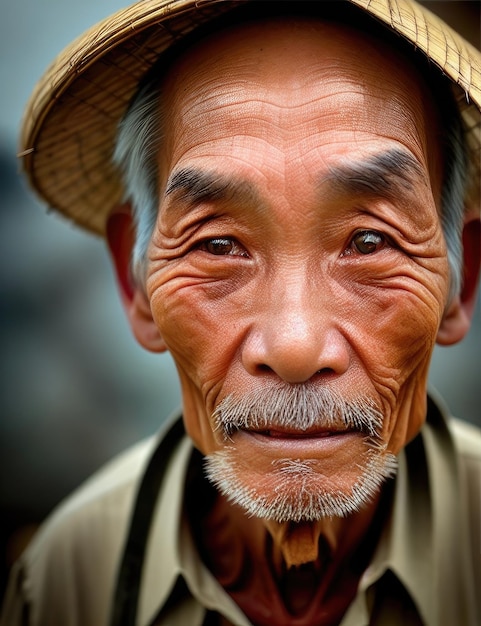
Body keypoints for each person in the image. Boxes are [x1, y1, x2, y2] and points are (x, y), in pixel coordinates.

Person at [2, 0, 481, 624]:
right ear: (136, 282)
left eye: (369, 242)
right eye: (218, 245)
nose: (294, 348)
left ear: (461, 279)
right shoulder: (66, 578)